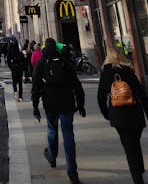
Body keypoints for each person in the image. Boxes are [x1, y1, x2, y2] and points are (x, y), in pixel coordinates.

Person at [32, 37, 86, 184]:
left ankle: (52, 156)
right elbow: (77, 85)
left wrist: (35, 106)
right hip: (67, 104)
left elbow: (35, 87)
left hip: (50, 106)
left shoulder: (41, 63)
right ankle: (72, 172)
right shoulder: (64, 62)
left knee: (52, 130)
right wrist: (81, 104)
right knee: (69, 137)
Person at [97, 47, 148, 184]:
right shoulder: (129, 71)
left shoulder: (106, 73)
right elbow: (142, 94)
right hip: (135, 113)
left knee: (129, 147)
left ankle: (137, 177)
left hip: (119, 116)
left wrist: (106, 114)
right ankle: (139, 168)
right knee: (135, 143)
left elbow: (100, 97)